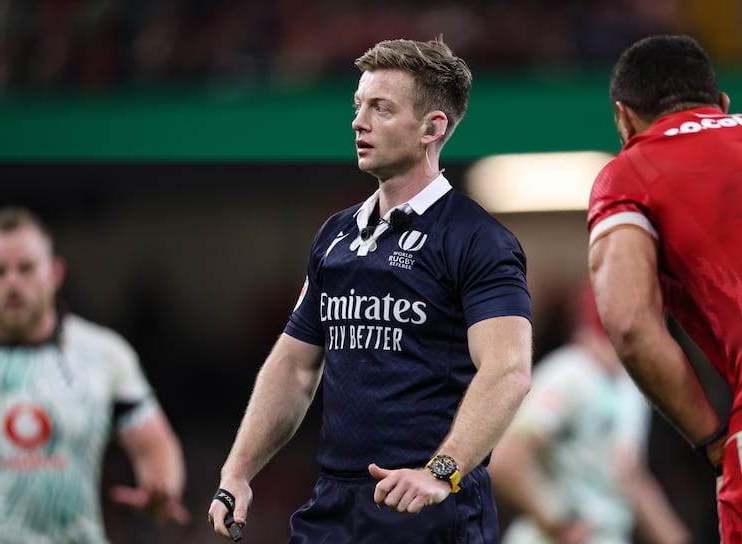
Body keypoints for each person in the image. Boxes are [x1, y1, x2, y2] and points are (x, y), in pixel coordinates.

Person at [207, 37, 533, 543]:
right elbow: (294, 366)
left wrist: (440, 472)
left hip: (432, 509)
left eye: (381, 109)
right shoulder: (334, 236)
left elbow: (508, 369)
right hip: (334, 507)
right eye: (359, 106)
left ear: (433, 128)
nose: (359, 122)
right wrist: (237, 472)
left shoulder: (479, 239)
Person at [0, 206, 189, 543]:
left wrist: (162, 489)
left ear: (55, 273)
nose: (12, 282)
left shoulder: (104, 355)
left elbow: (155, 445)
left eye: (26, 268)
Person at [587, 34, 742, 542]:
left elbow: (630, 325)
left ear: (624, 119)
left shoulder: (629, 173)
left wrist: (715, 443)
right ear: (722, 105)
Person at [489, 282, 691, 544]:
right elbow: (507, 459)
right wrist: (558, 520)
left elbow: (629, 475)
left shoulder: (631, 385)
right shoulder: (570, 373)